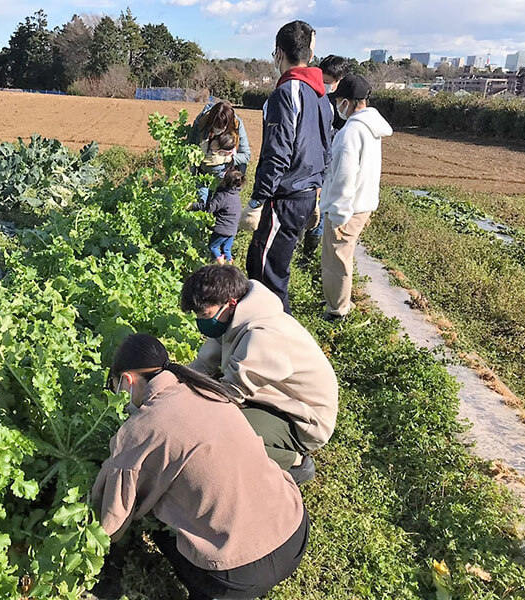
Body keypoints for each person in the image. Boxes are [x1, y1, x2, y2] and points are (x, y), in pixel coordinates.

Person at [93, 333, 309, 600]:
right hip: (295, 531)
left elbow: (110, 521)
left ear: (126, 380)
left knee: (155, 522)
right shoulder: (207, 389)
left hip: (238, 575)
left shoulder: (139, 431)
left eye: (113, 386)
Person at [181, 265, 339, 484]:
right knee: (201, 410)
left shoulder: (265, 335)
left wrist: (181, 413)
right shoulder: (232, 319)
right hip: (274, 397)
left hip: (304, 419)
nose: (201, 322)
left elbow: (228, 393)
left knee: (220, 433)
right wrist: (172, 387)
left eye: (205, 314)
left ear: (231, 303)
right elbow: (203, 365)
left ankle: (295, 462)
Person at [240, 20, 332, 315]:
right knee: (271, 266)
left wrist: (257, 202)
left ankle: (278, 341)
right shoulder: (321, 97)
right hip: (305, 194)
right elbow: (324, 150)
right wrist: (316, 193)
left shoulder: (287, 92)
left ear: (279, 53)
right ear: (310, 54)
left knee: (265, 274)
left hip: (285, 197)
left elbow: (277, 153)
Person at [320, 74, 392, 321]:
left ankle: (337, 311)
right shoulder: (371, 128)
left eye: (339, 100)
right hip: (363, 204)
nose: (338, 106)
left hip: (347, 208)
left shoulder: (351, 131)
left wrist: (338, 214)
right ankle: (339, 301)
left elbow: (344, 176)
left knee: (336, 260)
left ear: (348, 102)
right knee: (343, 258)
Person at [302, 54, 353, 260]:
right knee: (309, 205)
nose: (325, 85)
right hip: (309, 161)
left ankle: (309, 253)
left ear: (339, 81)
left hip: (327, 165)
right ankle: (304, 248)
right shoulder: (313, 96)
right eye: (323, 80)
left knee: (320, 209)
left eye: (329, 82)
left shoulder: (341, 106)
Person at [188, 101, 251, 202]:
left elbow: (246, 155)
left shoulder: (236, 125)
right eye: (215, 126)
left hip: (225, 179)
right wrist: (199, 153)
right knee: (202, 205)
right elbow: (190, 146)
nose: (217, 130)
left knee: (220, 209)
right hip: (203, 175)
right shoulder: (202, 121)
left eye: (220, 127)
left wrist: (226, 158)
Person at [187, 167, 244, 265]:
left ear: (225, 181)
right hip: (232, 230)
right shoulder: (236, 196)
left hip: (222, 229)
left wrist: (193, 206)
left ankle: (221, 264)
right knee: (226, 250)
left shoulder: (222, 196)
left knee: (213, 247)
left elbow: (209, 208)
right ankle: (231, 268)